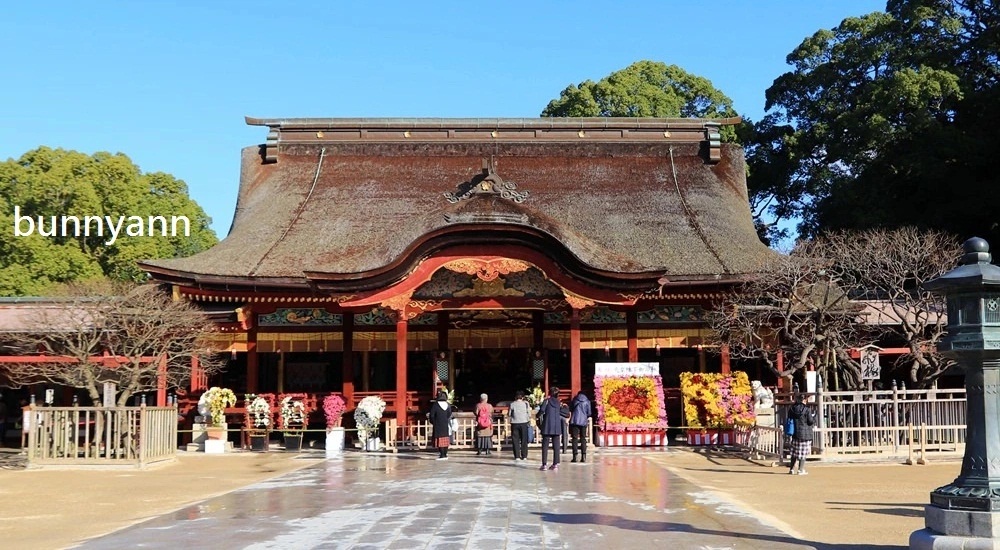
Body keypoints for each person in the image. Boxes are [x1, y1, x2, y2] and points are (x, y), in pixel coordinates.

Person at [538, 386, 568, 471]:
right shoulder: (559, 403)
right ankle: (555, 464)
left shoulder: (546, 401)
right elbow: (563, 412)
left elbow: (542, 410)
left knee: (545, 446)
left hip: (547, 426)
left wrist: (537, 416)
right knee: (556, 446)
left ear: (550, 393)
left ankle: (544, 464)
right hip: (557, 426)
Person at [787, 393, 815, 475]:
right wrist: (814, 418)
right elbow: (810, 421)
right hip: (805, 434)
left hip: (794, 433)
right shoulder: (807, 409)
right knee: (803, 452)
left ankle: (791, 469)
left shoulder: (792, 408)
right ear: (804, 400)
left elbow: (789, 418)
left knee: (794, 452)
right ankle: (800, 469)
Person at [428, 390, 454, 460]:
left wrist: (433, 422)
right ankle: (445, 454)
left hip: (438, 424)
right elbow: (449, 414)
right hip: (445, 424)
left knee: (439, 439)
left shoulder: (436, 405)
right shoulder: (448, 405)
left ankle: (442, 455)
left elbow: (432, 415)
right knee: (445, 438)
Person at [569, 390, 592, 463]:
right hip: (583, 421)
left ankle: (575, 456)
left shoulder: (575, 400)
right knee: (583, 438)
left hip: (575, 420)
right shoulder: (587, 401)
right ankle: (583, 456)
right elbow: (589, 413)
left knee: (575, 439)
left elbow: (571, 409)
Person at [508, 390, 531, 461]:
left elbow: (509, 414)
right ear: (523, 397)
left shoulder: (512, 404)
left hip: (515, 423)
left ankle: (517, 456)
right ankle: (524, 456)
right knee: (524, 439)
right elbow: (529, 414)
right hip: (524, 422)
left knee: (515, 440)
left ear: (515, 397)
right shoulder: (526, 404)